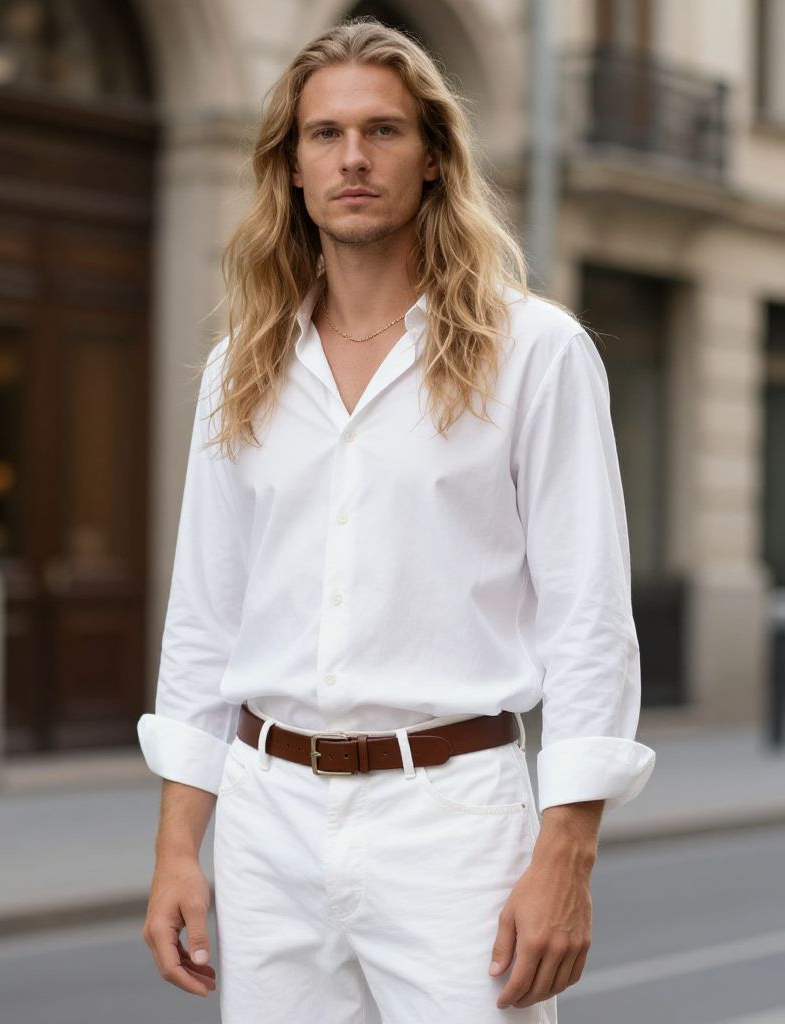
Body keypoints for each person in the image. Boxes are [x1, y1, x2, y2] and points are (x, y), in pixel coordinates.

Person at [137, 16, 656, 1023]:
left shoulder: (533, 353)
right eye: (324, 135)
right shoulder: (240, 369)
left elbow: (587, 614)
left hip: (452, 817)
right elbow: (205, 618)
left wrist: (566, 851)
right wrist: (175, 849)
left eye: (382, 130)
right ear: (290, 167)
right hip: (265, 816)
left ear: (432, 159)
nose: (353, 158)